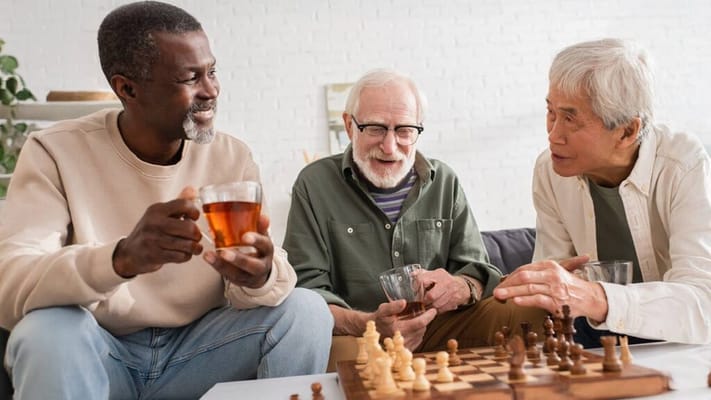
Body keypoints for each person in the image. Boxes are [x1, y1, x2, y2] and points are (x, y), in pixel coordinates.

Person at [0, 2, 333, 399]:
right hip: (101, 352)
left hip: (201, 351)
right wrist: (120, 258)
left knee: (306, 311)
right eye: (190, 78)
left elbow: (257, 284)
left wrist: (259, 275)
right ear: (127, 88)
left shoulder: (232, 157)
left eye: (211, 72)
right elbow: (11, 282)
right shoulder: (55, 152)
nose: (210, 91)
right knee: (48, 333)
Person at [283, 69, 545, 355]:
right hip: (359, 333)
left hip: (442, 326)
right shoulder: (314, 184)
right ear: (349, 126)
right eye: (375, 128)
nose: (389, 146)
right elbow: (307, 293)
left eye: (404, 130)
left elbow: (478, 270)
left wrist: (460, 286)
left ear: (418, 129)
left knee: (529, 311)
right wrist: (368, 324)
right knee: (338, 351)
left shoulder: (445, 180)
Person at [494, 38, 711, 347]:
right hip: (595, 335)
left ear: (626, 131)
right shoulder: (550, 170)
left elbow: (704, 302)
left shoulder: (683, 164)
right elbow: (555, 288)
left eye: (570, 119)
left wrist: (596, 297)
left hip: (681, 341)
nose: (553, 134)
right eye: (551, 112)